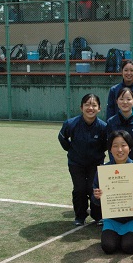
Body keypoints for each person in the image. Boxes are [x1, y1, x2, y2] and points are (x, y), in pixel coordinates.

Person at [92, 130, 133, 254]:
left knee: (129, 247)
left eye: (123, 145)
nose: (119, 150)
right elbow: (95, 200)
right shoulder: (104, 171)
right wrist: (97, 197)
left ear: (129, 148)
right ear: (110, 149)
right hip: (113, 218)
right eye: (115, 146)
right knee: (108, 247)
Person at [58, 93, 107, 226]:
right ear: (81, 107)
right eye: (87, 105)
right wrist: (71, 149)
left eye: (94, 105)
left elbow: (106, 145)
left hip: (96, 164)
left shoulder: (103, 127)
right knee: (79, 189)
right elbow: (62, 137)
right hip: (76, 163)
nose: (90, 108)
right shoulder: (71, 123)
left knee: (94, 189)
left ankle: (98, 216)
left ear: (99, 108)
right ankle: (80, 216)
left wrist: (97, 154)